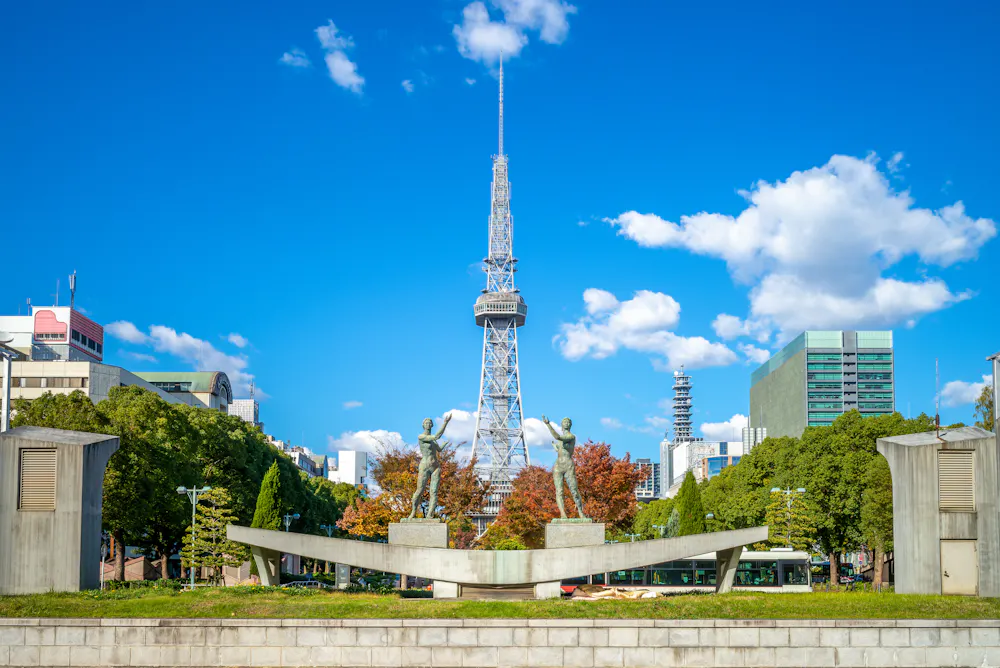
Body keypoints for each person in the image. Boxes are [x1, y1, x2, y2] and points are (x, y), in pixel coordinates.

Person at [542, 415, 588, 520]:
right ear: (562, 425)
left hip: (568, 465)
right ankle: (563, 514)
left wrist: (548, 424)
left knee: (574, 491)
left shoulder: (571, 437)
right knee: (559, 491)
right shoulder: (560, 441)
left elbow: (558, 437)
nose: (566, 423)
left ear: (570, 425)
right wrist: (555, 446)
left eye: (568, 422)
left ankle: (581, 513)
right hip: (558, 466)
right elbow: (559, 449)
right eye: (564, 422)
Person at [407, 414, 452, 519]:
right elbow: (436, 436)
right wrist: (445, 422)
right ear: (423, 425)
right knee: (420, 490)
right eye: (426, 423)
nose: (428, 424)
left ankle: (430, 514)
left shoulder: (433, 441)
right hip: (425, 465)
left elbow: (439, 449)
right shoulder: (421, 437)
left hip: (435, 466)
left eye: (430, 423)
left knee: (434, 491)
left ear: (431, 425)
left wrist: (445, 443)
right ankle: (413, 512)